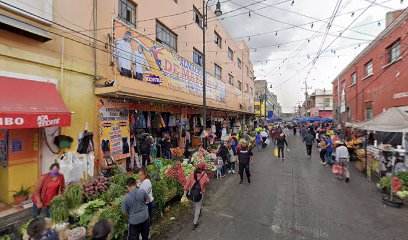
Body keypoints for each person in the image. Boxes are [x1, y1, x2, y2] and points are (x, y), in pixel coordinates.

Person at [184, 163, 209, 230]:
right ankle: (195, 223)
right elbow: (207, 182)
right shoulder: (204, 174)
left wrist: (185, 192)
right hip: (200, 193)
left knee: (195, 204)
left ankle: (197, 214)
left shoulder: (192, 173)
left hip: (192, 193)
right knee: (198, 208)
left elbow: (188, 183)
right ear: (203, 168)